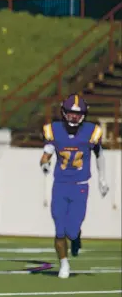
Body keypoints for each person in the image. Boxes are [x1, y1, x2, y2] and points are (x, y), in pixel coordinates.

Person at [40, 94, 109, 278]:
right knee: (59, 228)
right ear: (63, 113)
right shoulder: (53, 130)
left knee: (71, 230)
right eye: (70, 113)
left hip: (80, 186)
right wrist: (44, 163)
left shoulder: (91, 131)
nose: (74, 117)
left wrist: (102, 179)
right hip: (60, 185)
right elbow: (46, 153)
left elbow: (99, 155)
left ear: (84, 116)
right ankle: (64, 263)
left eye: (77, 114)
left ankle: (76, 237)